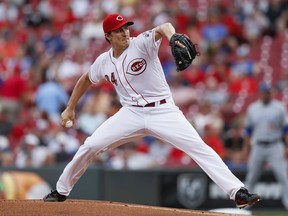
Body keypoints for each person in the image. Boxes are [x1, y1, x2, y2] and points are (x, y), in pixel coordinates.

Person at [43, 13, 261, 208]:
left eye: (126, 28)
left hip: (163, 111)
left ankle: (238, 192)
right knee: (91, 145)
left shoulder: (141, 44)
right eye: (118, 30)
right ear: (108, 36)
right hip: (131, 113)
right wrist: (70, 108)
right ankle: (61, 191)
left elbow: (163, 26)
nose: (125, 32)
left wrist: (173, 36)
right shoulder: (103, 62)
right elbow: (85, 79)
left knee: (198, 147)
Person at [242, 82, 288, 210]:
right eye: (263, 92)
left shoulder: (279, 107)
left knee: (283, 176)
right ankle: (244, 206)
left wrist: (287, 146)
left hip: (275, 145)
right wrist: (246, 148)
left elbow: (285, 129)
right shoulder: (253, 108)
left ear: (271, 93)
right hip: (258, 146)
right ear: (260, 93)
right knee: (251, 177)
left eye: (267, 92)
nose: (265, 94)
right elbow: (248, 130)